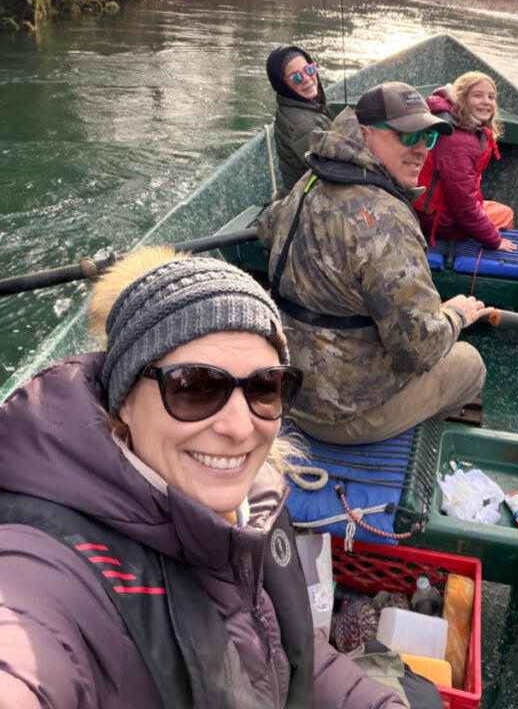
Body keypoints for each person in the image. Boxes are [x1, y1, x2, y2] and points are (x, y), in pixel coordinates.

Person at [0, 248, 412, 709]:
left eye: (264, 386)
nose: (239, 427)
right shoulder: (44, 568)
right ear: (125, 401)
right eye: (195, 387)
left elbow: (289, 653)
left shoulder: (257, 500)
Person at [256, 81, 491, 445]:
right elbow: (421, 349)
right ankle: (409, 433)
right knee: (469, 363)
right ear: (365, 134)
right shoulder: (386, 217)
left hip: (286, 388)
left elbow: (268, 227)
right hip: (341, 415)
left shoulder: (309, 179)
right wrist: (456, 315)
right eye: (406, 136)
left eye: (427, 139)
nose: (420, 151)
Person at [414, 71, 516, 251]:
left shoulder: (458, 124)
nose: (486, 101)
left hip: (431, 210)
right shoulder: (458, 141)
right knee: (506, 215)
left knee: (500, 211)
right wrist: (493, 240)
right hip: (439, 221)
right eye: (477, 95)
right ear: (461, 99)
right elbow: (463, 204)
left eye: (491, 97)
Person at [266, 44, 335, 196]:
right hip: (307, 200)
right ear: (283, 85)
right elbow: (334, 171)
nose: (306, 79)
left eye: (309, 70)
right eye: (296, 77)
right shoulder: (303, 126)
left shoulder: (298, 102)